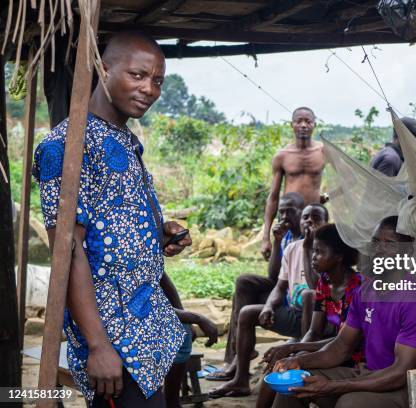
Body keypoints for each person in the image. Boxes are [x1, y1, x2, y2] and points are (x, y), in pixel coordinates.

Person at [33, 31, 191, 406]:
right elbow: (67, 251)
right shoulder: (66, 147)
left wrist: (159, 232)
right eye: (137, 75)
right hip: (114, 342)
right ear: (103, 70)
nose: (149, 89)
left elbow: (113, 223)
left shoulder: (124, 140)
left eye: (156, 81)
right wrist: (98, 345)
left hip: (149, 331)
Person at [271, 216, 416, 408]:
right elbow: (341, 346)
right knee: (292, 384)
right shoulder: (366, 291)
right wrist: (298, 361)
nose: (379, 250)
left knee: (350, 403)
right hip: (370, 373)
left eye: (390, 244)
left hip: (412, 388)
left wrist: (334, 386)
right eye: (376, 242)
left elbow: (401, 372)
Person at [209, 204, 329, 398]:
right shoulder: (292, 248)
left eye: (316, 218)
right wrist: (268, 306)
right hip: (294, 315)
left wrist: (308, 247)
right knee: (247, 313)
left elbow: (317, 289)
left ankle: (303, 358)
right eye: (306, 217)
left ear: (325, 224)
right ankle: (240, 380)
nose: (309, 222)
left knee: (309, 296)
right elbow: (280, 286)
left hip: (318, 320)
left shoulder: (327, 250)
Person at [257, 223, 363, 408]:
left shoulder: (357, 289)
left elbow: (344, 343)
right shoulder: (325, 282)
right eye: (313, 251)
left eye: (319, 252)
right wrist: (298, 351)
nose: (313, 258)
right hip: (334, 349)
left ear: (338, 256)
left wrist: (294, 351)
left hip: (353, 358)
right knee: (279, 369)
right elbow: (314, 330)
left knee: (292, 377)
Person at [205, 192, 305, 381]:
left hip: (299, 304)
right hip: (284, 292)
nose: (284, 218)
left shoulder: (308, 240)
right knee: (244, 283)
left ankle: (238, 360)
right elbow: (274, 277)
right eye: (281, 213)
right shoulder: (287, 237)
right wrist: (276, 242)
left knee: (247, 310)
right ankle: (239, 354)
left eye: (289, 212)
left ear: (303, 211)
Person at [261, 107, 326, 259]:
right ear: (292, 125)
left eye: (308, 121)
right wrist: (266, 237)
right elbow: (273, 197)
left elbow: (347, 181)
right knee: (287, 267)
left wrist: (328, 196)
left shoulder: (323, 151)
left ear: (314, 125)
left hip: (314, 218)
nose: (303, 125)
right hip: (289, 220)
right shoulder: (282, 156)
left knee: (315, 265)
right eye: (299, 121)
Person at [160, 272, 218, 408]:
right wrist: (195, 318)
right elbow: (148, 304)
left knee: (183, 334)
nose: (175, 249)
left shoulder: (149, 254)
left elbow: (161, 276)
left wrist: (184, 317)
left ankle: (171, 399)